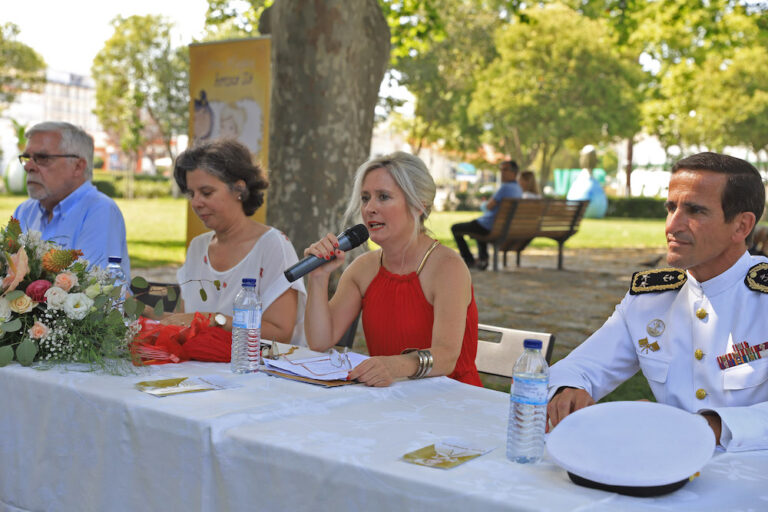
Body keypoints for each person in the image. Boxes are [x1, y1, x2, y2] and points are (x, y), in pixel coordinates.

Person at [547, 151, 768, 452]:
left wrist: (710, 427)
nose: (672, 225)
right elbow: (579, 368)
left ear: (741, 226)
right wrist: (568, 389)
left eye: (695, 211)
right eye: (671, 207)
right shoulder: (651, 299)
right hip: (661, 468)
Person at [303, 151, 482, 387]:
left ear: (419, 205)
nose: (369, 208)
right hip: (388, 398)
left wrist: (394, 366)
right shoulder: (363, 268)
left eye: (384, 197)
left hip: (451, 400)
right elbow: (319, 341)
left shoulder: (448, 267)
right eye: (365, 198)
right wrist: (318, 277)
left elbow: (447, 356)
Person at [164, 140, 306, 345]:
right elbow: (184, 321)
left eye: (206, 192)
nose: (196, 202)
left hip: (263, 372)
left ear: (239, 190)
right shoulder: (198, 247)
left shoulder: (273, 246)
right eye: (191, 194)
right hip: (202, 369)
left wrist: (214, 320)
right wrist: (148, 315)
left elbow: (281, 333)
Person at [14, 121, 130, 277]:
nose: (28, 167)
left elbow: (90, 292)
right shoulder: (25, 211)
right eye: (27, 158)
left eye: (42, 158)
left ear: (78, 166)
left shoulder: (100, 211)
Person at [451, 160, 522, 270]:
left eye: (505, 169)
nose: (502, 172)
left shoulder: (505, 188)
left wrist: (484, 204)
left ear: (514, 172)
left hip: (489, 226)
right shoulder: (518, 189)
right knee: (478, 227)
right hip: (499, 226)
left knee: (456, 228)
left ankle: (469, 260)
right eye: (501, 170)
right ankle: (483, 258)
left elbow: (489, 206)